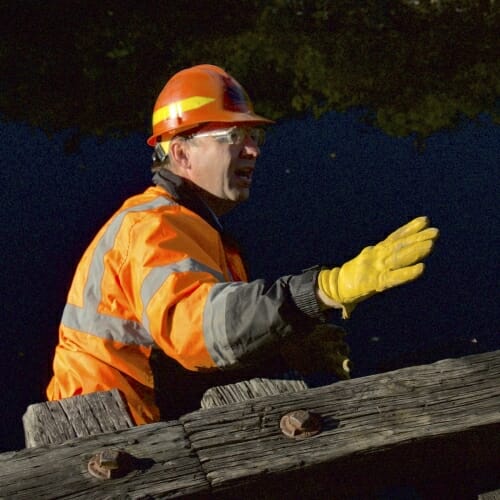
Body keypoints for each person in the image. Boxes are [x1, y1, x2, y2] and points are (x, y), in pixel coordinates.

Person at [47, 64, 439, 424]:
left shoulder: (191, 226)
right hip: (102, 430)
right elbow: (196, 329)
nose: (253, 150)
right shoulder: (151, 227)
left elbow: (189, 350)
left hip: (139, 417)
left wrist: (285, 347)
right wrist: (321, 291)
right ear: (181, 153)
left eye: (254, 135)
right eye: (233, 136)